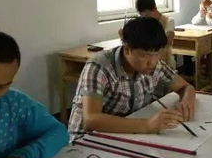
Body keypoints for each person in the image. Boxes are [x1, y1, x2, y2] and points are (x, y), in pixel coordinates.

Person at [68, 16, 196, 137]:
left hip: (126, 133)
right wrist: (147, 125)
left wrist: (186, 102)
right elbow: (91, 120)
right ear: (127, 49)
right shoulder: (99, 67)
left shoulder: (155, 65)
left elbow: (186, 87)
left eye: (158, 53)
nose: (152, 62)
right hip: (86, 140)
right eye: (145, 55)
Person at [134, 0, 176, 70]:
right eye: (141, 14)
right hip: (148, 63)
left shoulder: (168, 21)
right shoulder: (143, 21)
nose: (144, 16)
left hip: (165, 62)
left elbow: (167, 42)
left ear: (155, 8)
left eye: (146, 13)